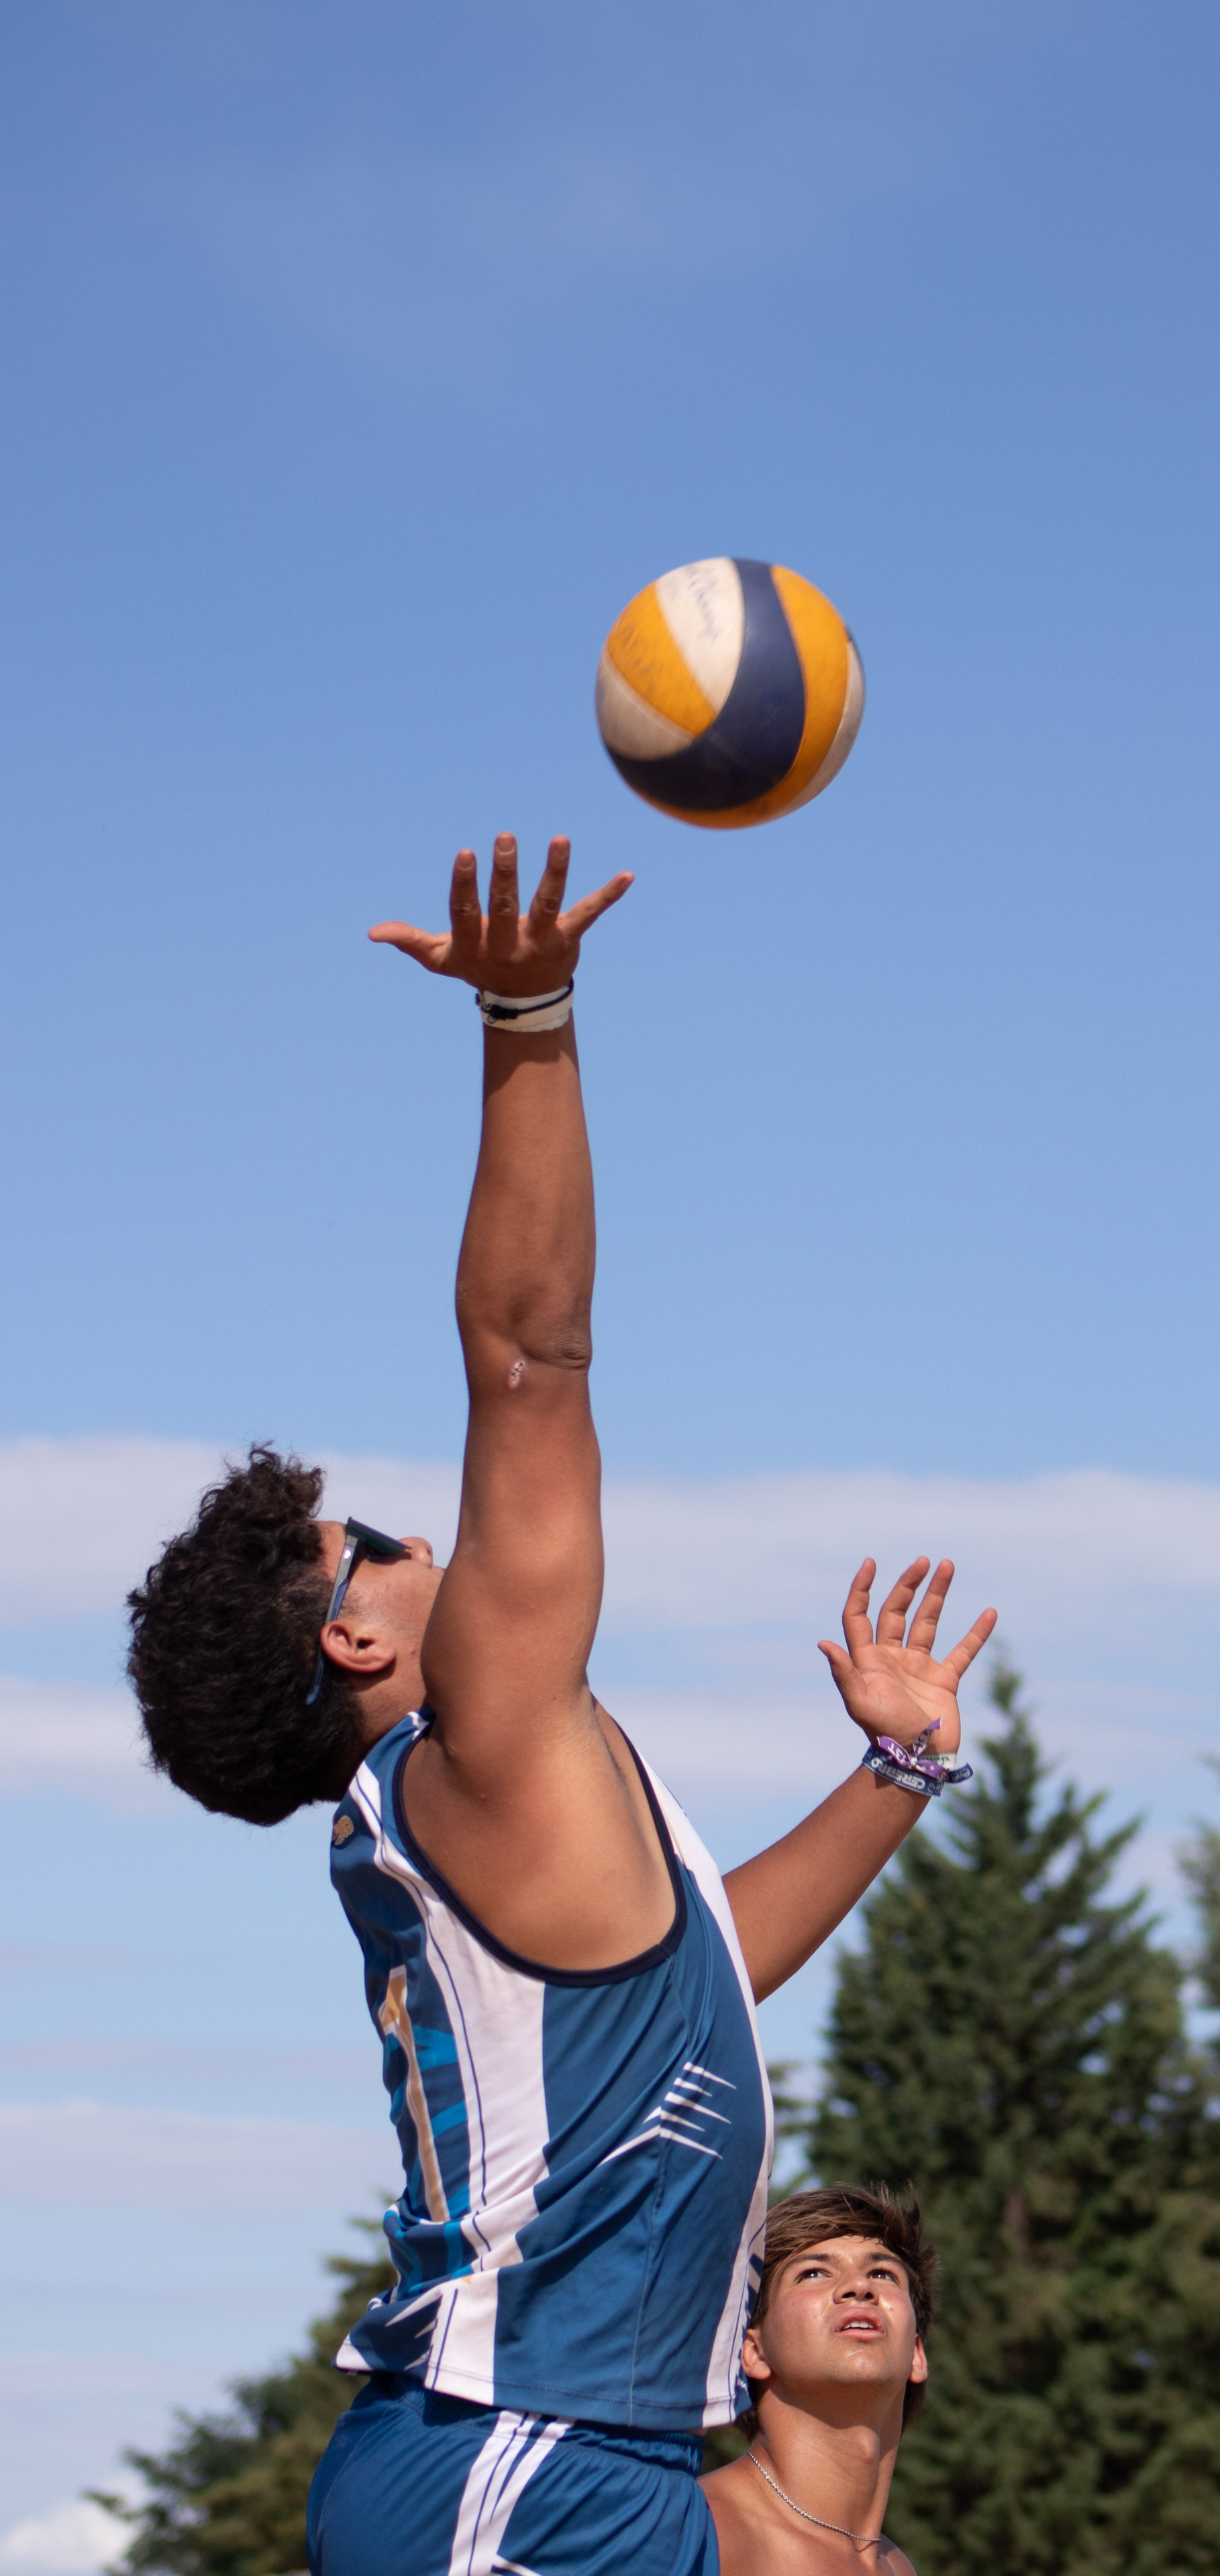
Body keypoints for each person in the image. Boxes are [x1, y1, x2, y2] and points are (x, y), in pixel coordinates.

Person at [125, 837, 995, 2576]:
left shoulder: (500, 1810)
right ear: (353, 1644)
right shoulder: (489, 1747)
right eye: (376, 1545)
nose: (423, 1536)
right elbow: (530, 1358)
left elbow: (708, 1967)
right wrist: (529, 1018)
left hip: (554, 2463)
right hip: (512, 2460)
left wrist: (896, 1770)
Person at [700, 2186, 933, 2576]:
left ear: (916, 2354)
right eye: (813, 2273)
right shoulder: (703, 2532)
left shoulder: (897, 2567)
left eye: (882, 2273)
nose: (860, 2287)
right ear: (753, 2351)